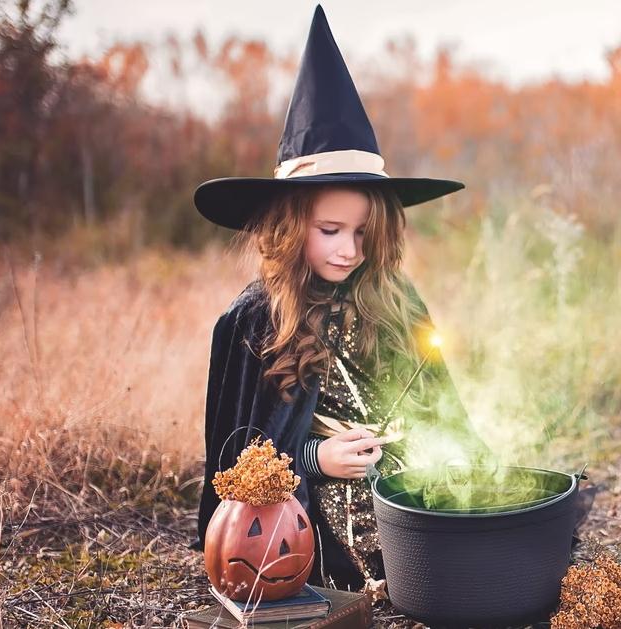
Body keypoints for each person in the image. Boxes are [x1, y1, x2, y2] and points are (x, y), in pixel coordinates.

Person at [191, 6, 486, 592]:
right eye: (330, 231)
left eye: (361, 233)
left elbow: (439, 407)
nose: (348, 250)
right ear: (289, 224)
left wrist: (437, 452)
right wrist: (315, 460)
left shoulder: (394, 297)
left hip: (409, 508)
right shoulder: (256, 319)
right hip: (305, 531)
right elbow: (236, 464)